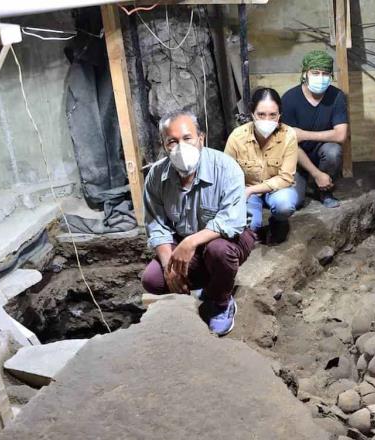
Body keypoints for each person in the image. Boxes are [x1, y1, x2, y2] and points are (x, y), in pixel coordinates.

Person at [141, 109, 255, 336]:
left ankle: (222, 303)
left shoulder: (226, 168)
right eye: (172, 141)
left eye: (187, 138)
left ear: (201, 138)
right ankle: (208, 284)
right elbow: (157, 224)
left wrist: (190, 243)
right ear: (164, 145)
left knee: (218, 251)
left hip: (228, 239)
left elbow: (231, 221)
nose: (180, 147)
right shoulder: (156, 176)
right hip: (186, 241)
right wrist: (168, 267)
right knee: (153, 279)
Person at [225, 88, 298, 244]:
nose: (267, 120)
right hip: (246, 191)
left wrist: (251, 190)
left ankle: (279, 222)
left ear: (280, 115)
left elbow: (286, 178)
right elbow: (226, 175)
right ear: (252, 114)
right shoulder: (237, 137)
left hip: (277, 189)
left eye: (273, 115)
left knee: (284, 205)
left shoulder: (288, 135)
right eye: (261, 114)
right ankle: (254, 228)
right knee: (251, 226)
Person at [281, 50, 348, 209]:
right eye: (315, 73)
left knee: (334, 151)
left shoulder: (336, 96)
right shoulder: (289, 99)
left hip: (320, 152)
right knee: (294, 202)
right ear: (305, 74)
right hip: (295, 157)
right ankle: (312, 177)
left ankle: (325, 192)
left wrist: (303, 135)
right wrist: (316, 173)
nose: (320, 78)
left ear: (331, 76)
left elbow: (341, 135)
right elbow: (291, 145)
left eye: (325, 73)